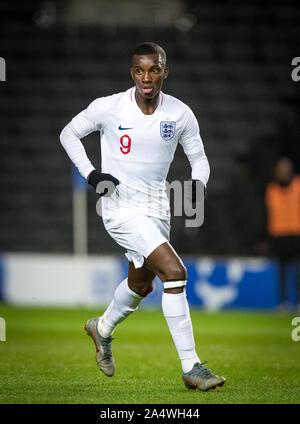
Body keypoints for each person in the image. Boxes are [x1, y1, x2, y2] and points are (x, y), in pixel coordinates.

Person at [60, 42, 225, 391]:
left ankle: (101, 328)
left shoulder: (180, 114)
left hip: (158, 208)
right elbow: (69, 133)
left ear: (165, 71)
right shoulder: (110, 108)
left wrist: (199, 184)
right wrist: (92, 174)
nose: (146, 77)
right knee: (175, 272)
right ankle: (192, 367)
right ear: (132, 72)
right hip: (119, 208)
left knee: (141, 285)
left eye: (154, 70)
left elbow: (200, 159)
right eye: (139, 70)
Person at [264, 157, 300, 310]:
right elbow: (266, 214)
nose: (283, 172)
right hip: (278, 234)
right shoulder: (271, 189)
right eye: (280, 169)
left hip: (296, 233)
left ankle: (298, 302)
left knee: (297, 271)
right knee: (282, 272)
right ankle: (283, 303)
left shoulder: (298, 186)